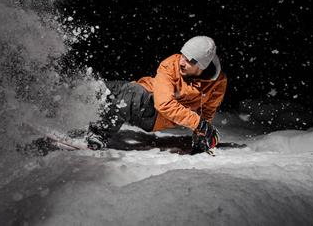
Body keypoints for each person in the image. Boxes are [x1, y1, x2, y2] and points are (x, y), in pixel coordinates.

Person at [86, 36, 227, 154]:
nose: (182, 62)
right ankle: (69, 110)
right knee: (102, 89)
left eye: (189, 61)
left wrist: (201, 134)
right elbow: (160, 98)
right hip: (144, 94)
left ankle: (98, 134)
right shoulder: (172, 64)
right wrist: (199, 124)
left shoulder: (217, 83)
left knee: (132, 92)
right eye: (183, 56)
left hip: (156, 115)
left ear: (202, 66)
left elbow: (204, 110)